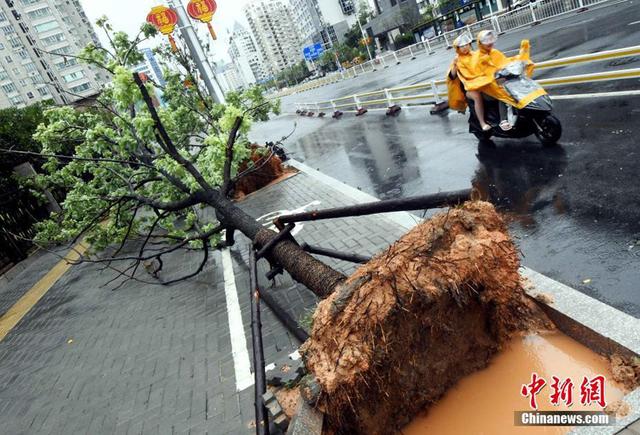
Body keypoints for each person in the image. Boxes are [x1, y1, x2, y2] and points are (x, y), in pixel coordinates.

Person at [447, 33, 492, 131]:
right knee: (476, 96)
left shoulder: (476, 55)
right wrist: (455, 65)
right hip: (469, 88)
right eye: (461, 46)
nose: (464, 47)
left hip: (482, 83)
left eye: (466, 44)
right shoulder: (457, 59)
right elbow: (451, 76)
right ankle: (482, 122)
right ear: (457, 48)